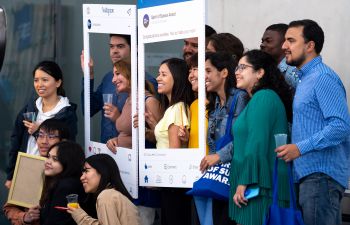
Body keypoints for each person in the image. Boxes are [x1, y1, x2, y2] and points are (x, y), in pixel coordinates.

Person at [276, 19, 350, 225]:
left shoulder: (322, 77)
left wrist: (299, 148)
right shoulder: (305, 79)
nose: (284, 46)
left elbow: (341, 126)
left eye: (291, 40)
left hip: (321, 177)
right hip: (310, 177)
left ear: (310, 46)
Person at [229, 50, 293, 225]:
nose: (237, 71)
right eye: (236, 67)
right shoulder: (259, 99)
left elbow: (257, 143)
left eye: (243, 67)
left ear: (260, 72)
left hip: (259, 186)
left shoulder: (263, 98)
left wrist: (244, 182)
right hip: (256, 185)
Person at [5, 60, 77, 189]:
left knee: (42, 208)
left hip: (52, 176)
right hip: (26, 169)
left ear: (58, 82)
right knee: (21, 208)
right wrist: (11, 175)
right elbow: (15, 142)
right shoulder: (29, 108)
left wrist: (39, 131)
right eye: (36, 80)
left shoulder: (67, 113)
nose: (39, 84)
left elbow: (68, 148)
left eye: (45, 80)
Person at [81, 34, 157, 143]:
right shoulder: (108, 78)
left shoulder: (146, 81)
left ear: (134, 48)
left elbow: (154, 134)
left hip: (131, 154)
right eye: (111, 46)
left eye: (120, 46)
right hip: (106, 150)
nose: (114, 51)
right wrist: (89, 75)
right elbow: (89, 110)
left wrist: (119, 118)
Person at [203, 52, 248, 225]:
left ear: (224, 73)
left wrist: (218, 156)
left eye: (208, 71)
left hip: (237, 178)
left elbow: (244, 138)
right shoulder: (214, 103)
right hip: (220, 177)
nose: (204, 76)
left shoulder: (240, 98)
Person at [3, 119, 71, 225]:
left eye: (51, 136)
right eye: (40, 135)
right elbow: (9, 208)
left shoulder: (72, 171)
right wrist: (25, 217)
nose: (44, 141)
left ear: (63, 142)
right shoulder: (28, 166)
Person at [154, 58, 194, 225]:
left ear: (176, 78)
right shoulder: (174, 108)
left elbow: (174, 154)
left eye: (163, 74)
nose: (158, 78)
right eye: (158, 74)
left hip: (172, 183)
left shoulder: (176, 108)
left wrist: (156, 178)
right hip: (172, 183)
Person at [68, 154, 140, 225]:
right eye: (82, 173)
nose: (81, 178)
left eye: (86, 171)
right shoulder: (112, 194)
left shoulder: (106, 196)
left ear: (102, 171)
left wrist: (80, 217)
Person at [40, 141, 87, 225]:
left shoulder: (67, 186)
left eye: (55, 159)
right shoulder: (64, 182)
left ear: (68, 162)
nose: (48, 162)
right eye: (48, 157)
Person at [260, 23, 298, 88]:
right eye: (262, 41)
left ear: (285, 43)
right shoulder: (269, 68)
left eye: (268, 41)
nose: (262, 45)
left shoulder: (292, 71)